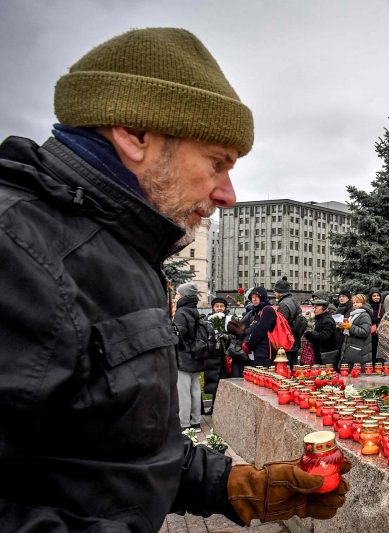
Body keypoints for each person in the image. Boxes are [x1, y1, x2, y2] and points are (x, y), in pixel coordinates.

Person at [0, 28, 347, 530]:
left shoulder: (124, 252)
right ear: (136, 134)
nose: (227, 193)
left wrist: (233, 486)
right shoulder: (19, 249)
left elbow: (116, 449)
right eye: (217, 163)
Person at [173, 282, 206, 432]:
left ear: (184, 296)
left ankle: (184, 423)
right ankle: (196, 422)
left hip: (184, 355)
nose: (175, 296)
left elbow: (178, 335)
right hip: (196, 354)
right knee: (195, 389)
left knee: (183, 392)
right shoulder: (194, 310)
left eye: (178, 294)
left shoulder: (181, 312)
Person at [274, 276, 304, 369]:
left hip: (287, 344)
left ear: (279, 292)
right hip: (294, 341)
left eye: (275, 291)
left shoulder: (283, 304)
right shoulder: (293, 300)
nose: (274, 293)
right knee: (293, 368)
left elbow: (281, 326)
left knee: (286, 370)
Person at [243, 286, 277, 367]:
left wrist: (249, 345)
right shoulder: (254, 312)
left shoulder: (267, 310)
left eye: (257, 297)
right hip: (257, 351)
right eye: (252, 297)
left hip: (265, 353)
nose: (254, 299)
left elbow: (260, 330)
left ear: (263, 297)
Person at [339, 293, 373, 368]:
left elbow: (365, 332)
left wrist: (350, 327)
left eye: (357, 302)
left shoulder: (364, 315)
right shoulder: (354, 314)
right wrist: (344, 327)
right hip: (352, 349)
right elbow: (350, 330)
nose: (355, 304)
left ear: (363, 303)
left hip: (359, 351)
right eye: (353, 303)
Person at [304, 299, 339, 365]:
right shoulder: (319, 318)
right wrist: (308, 333)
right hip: (320, 352)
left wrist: (310, 332)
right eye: (314, 307)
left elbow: (324, 336)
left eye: (316, 307)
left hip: (326, 354)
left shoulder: (327, 320)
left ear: (324, 308)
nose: (314, 310)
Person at [367, 288, 385, 364]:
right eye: (374, 296)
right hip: (369, 331)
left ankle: (379, 365)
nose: (376, 297)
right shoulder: (368, 306)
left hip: (379, 332)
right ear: (371, 297)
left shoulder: (382, 306)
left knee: (379, 349)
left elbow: (385, 317)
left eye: (378, 295)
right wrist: (377, 319)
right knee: (371, 349)